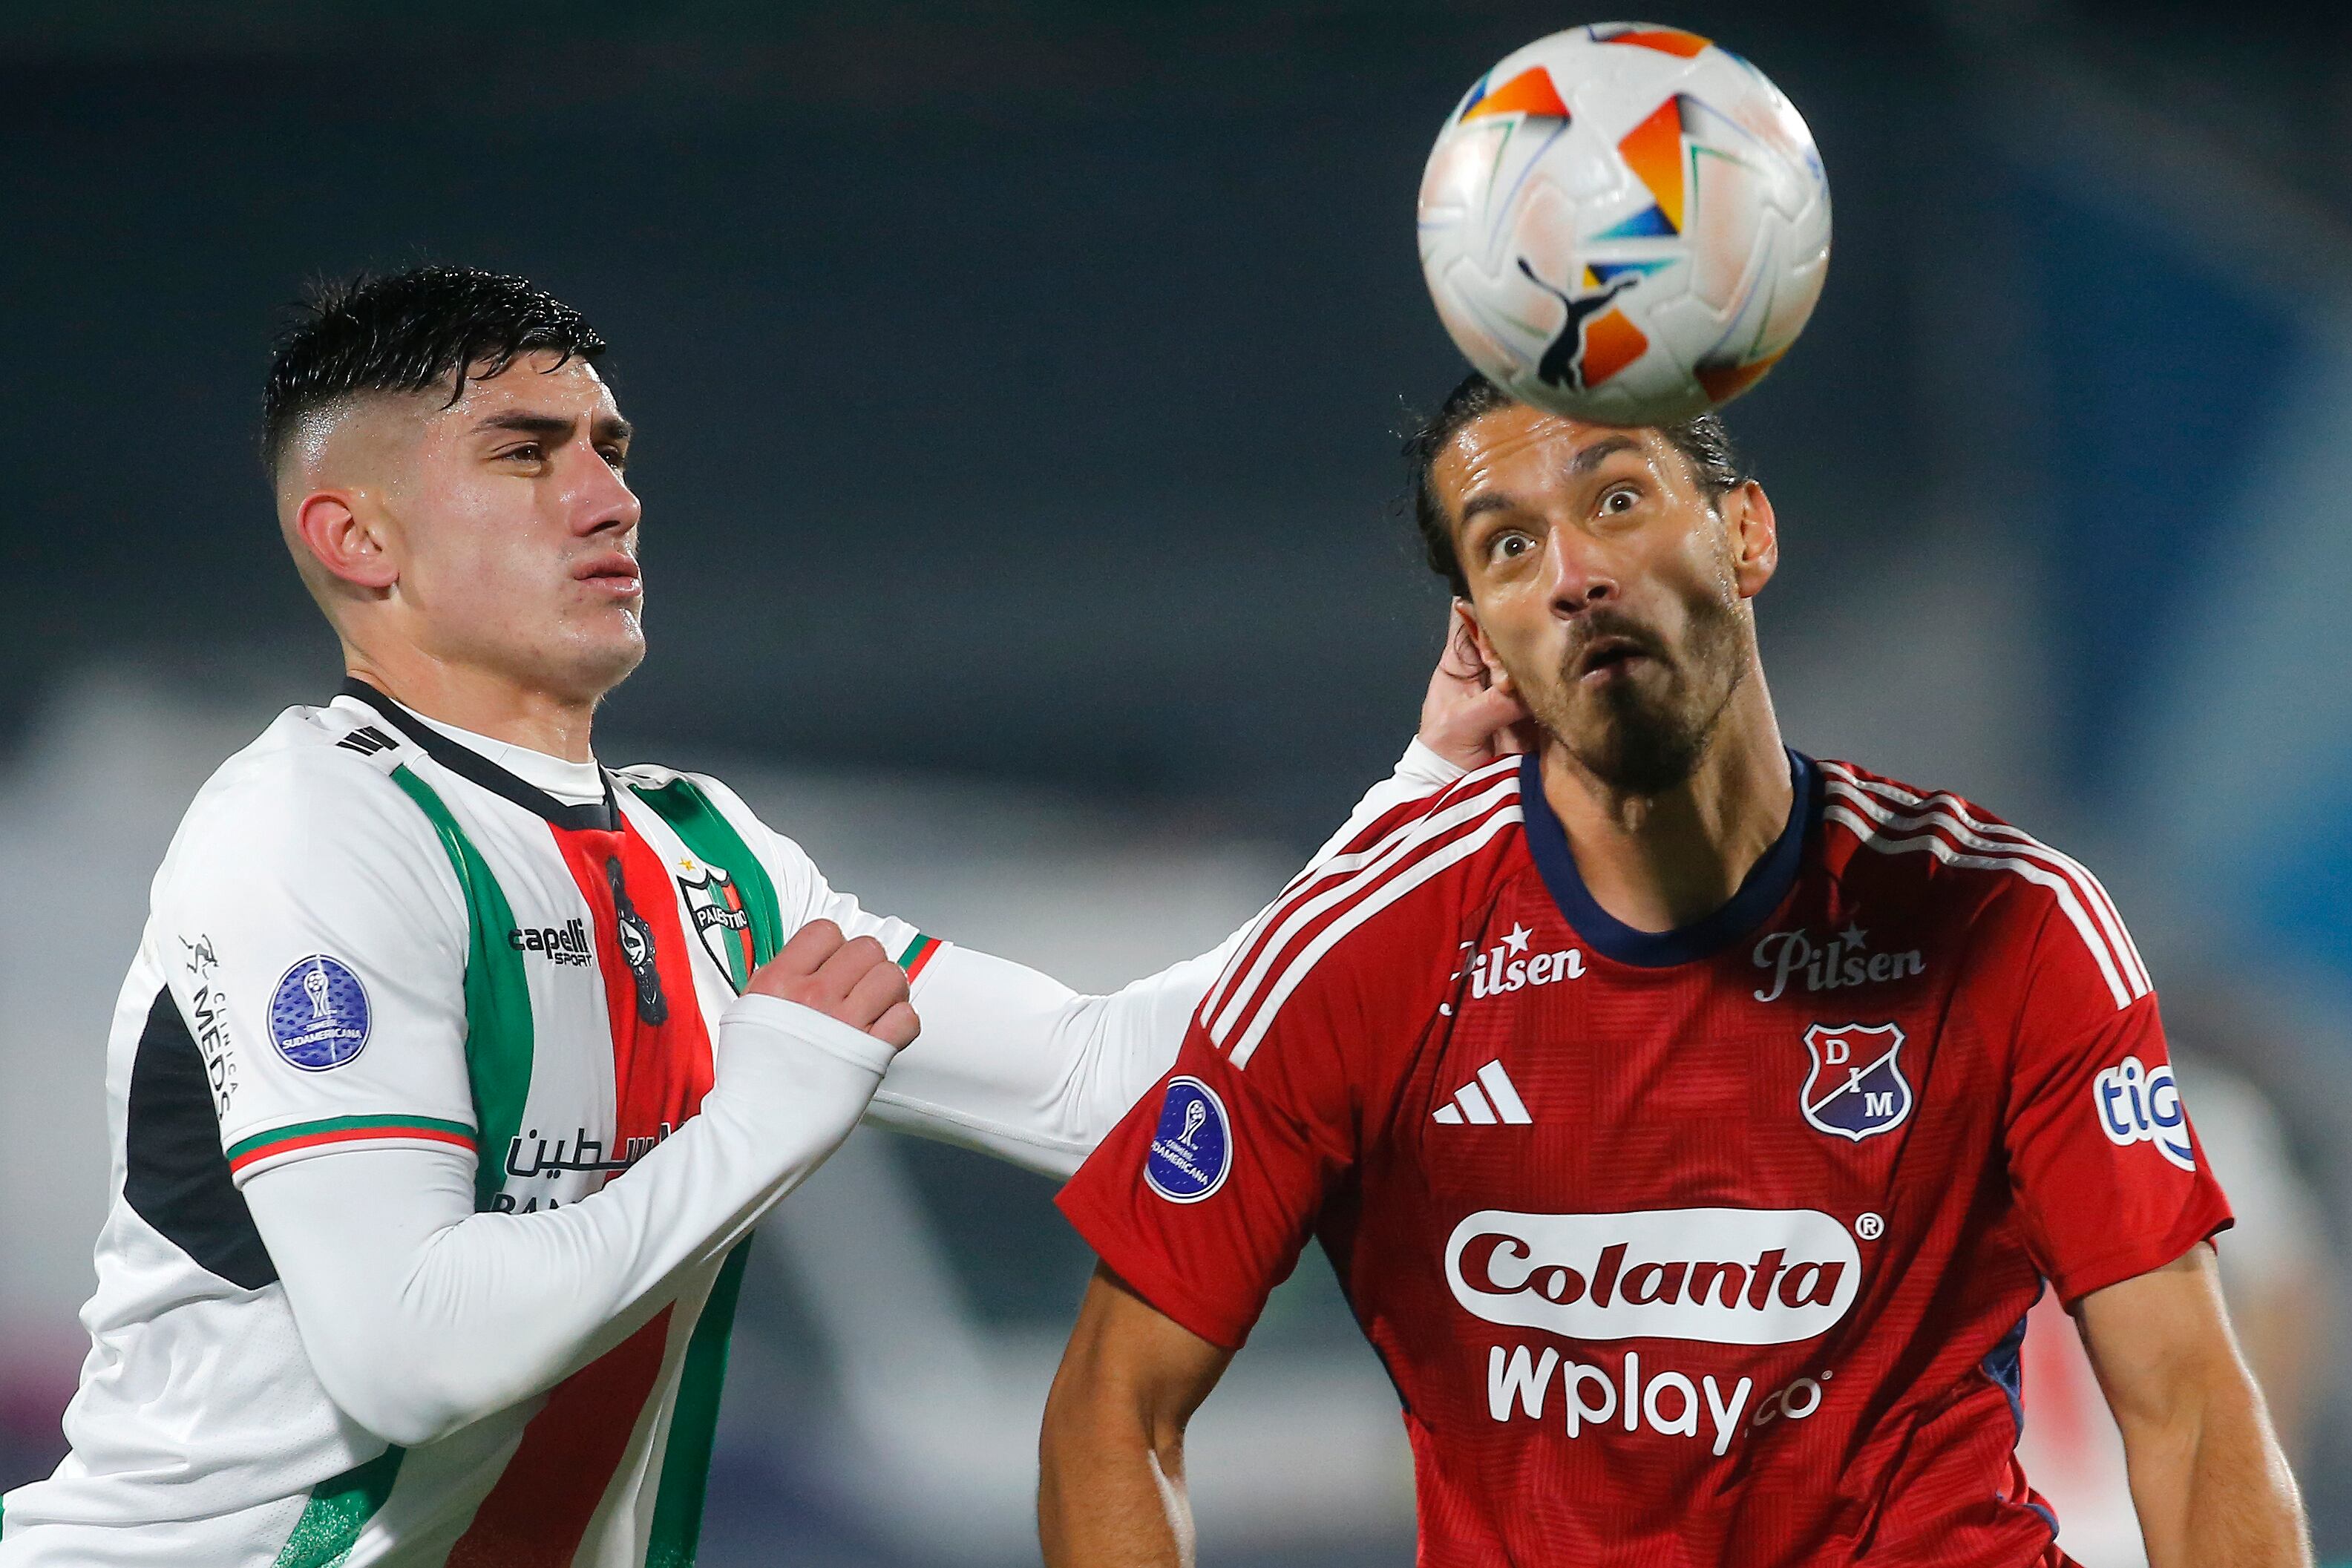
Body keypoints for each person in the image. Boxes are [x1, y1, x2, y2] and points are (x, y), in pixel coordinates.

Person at [0, 266, 1482, 1567]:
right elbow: (413, 1351)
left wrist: (1427, 796)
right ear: (358, 540)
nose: (607, 495)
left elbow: (1111, 1080)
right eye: (525, 456)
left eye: (610, 450)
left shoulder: (713, 866)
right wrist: (764, 1113)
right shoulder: (312, 827)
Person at [1038, 373, 2312, 1567]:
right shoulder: (1356, 954)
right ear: (1483, 636)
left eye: (1616, 500)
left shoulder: (2003, 919)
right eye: (1508, 546)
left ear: (1744, 535)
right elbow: (1114, 1408)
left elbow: (2189, 1403)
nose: (1575, 574)